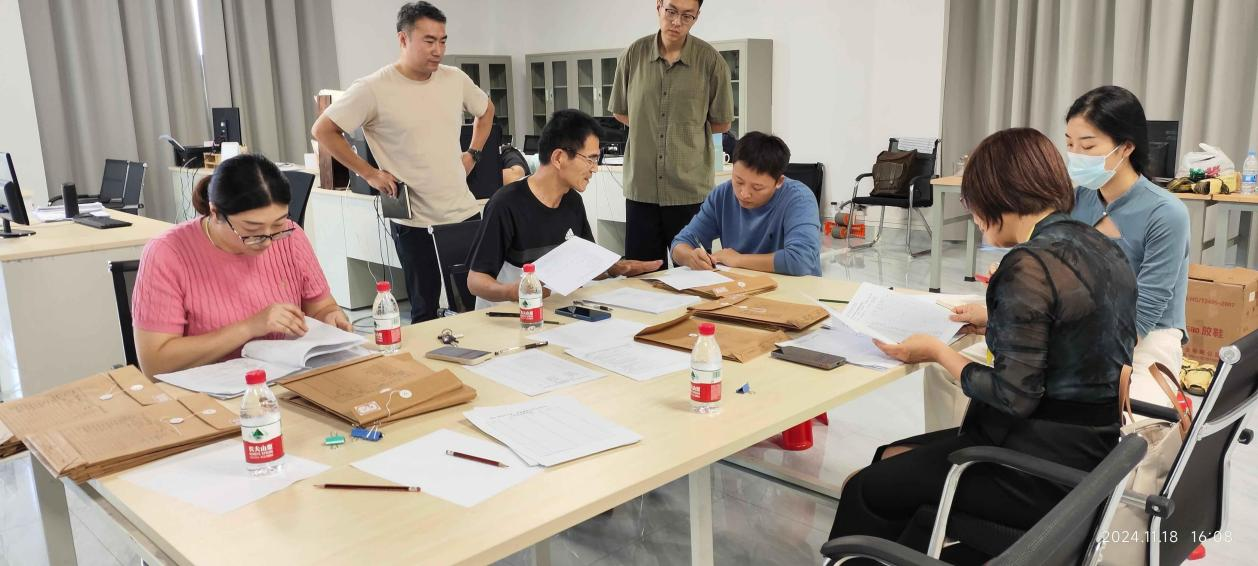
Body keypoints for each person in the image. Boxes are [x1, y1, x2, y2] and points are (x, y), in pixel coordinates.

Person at [826, 128, 1137, 562]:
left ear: (996, 197)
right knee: (892, 458)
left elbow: (1013, 396)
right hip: (1089, 454)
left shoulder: (1027, 264)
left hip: (1034, 468)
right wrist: (997, 319)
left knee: (865, 488)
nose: (972, 216)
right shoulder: (1101, 245)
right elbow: (1077, 324)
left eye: (971, 205)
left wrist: (938, 352)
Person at [312, 1, 494, 323]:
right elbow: (323, 130)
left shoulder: (454, 79)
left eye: (443, 41)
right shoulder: (373, 88)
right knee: (424, 311)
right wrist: (369, 173)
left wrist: (473, 154)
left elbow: (486, 111)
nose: (438, 50)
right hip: (414, 221)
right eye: (429, 41)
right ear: (403, 39)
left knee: (474, 307)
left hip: (462, 212)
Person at [132, 155, 348, 377]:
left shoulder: (291, 237)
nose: (267, 241)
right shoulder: (167, 253)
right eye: (252, 230)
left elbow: (321, 308)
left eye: (277, 224)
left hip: (286, 380)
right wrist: (249, 327)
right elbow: (155, 363)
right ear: (215, 213)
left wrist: (331, 317)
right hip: (208, 388)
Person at [1065, 85, 1189, 406]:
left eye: (1087, 145)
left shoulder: (1166, 213)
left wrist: (1086, 355)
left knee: (1134, 419)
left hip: (1148, 335)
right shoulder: (1078, 200)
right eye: (1070, 144)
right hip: (1083, 326)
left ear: (1125, 148)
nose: (1076, 155)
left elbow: (1147, 307)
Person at [467, 110, 661, 308]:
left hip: (554, 311)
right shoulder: (506, 204)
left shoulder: (572, 201)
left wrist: (614, 269)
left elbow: (586, 263)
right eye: (590, 159)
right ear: (559, 158)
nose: (594, 168)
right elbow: (475, 281)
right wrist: (512, 291)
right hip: (510, 315)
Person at [609, 0, 734, 265]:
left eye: (687, 16)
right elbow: (620, 111)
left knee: (694, 275)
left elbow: (721, 123)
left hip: (689, 190)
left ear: (697, 16)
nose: (677, 22)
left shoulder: (711, 62)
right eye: (671, 11)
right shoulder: (633, 55)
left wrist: (684, 130)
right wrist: (650, 125)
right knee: (643, 276)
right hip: (642, 188)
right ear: (658, 6)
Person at [670, 132, 822, 276]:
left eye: (757, 187)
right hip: (741, 288)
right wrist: (690, 257)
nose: (744, 193)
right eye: (739, 181)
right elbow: (680, 243)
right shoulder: (722, 195)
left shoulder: (799, 199)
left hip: (795, 290)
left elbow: (801, 260)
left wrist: (738, 260)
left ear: (779, 182)